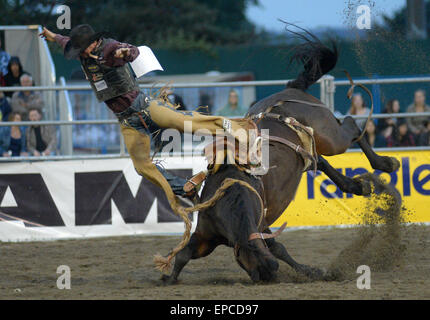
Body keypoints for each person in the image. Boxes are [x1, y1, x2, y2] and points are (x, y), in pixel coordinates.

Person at [39, 24, 254, 212]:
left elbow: (131, 51)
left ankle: (237, 128)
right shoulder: (84, 53)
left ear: (94, 42)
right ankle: (185, 187)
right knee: (141, 166)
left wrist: (126, 53)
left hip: (143, 106)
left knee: (183, 123)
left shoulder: (110, 48)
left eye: (81, 48)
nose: (80, 53)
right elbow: (64, 40)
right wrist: (52, 36)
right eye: (77, 49)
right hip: (126, 120)